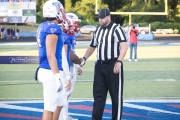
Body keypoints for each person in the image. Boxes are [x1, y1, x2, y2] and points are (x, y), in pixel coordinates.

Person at [80, 8, 128, 120]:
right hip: (100, 66)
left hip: (113, 65)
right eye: (99, 18)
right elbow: (92, 46)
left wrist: (119, 61)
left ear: (108, 16)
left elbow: (124, 46)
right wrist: (84, 58)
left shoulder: (117, 29)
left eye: (102, 18)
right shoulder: (98, 30)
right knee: (98, 96)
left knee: (116, 97)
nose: (100, 20)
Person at [36, 0, 70, 120]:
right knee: (49, 108)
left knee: (59, 104)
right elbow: (51, 55)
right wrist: (57, 76)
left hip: (51, 69)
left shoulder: (44, 26)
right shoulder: (53, 29)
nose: (63, 13)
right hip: (50, 71)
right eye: (61, 11)